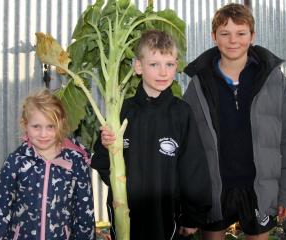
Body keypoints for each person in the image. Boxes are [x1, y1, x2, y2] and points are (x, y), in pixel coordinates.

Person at [183, 3, 286, 240]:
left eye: (241, 33)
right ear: (214, 37)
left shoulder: (274, 80)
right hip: (214, 188)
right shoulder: (199, 84)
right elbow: (186, 144)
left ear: (252, 36)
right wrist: (189, 199)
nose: (233, 40)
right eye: (225, 33)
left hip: (259, 189)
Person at [91, 29, 212, 240]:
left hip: (166, 216)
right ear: (139, 66)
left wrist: (192, 216)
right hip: (126, 214)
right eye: (154, 64)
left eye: (170, 64)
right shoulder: (121, 111)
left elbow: (193, 167)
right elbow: (102, 162)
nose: (163, 73)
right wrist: (106, 144)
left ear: (177, 66)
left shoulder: (182, 113)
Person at [0, 89, 96, 239]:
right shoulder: (15, 161)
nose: (43, 134)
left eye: (50, 126)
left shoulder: (75, 162)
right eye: (36, 126)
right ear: (25, 125)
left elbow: (84, 214)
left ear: (61, 124)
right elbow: (0, 208)